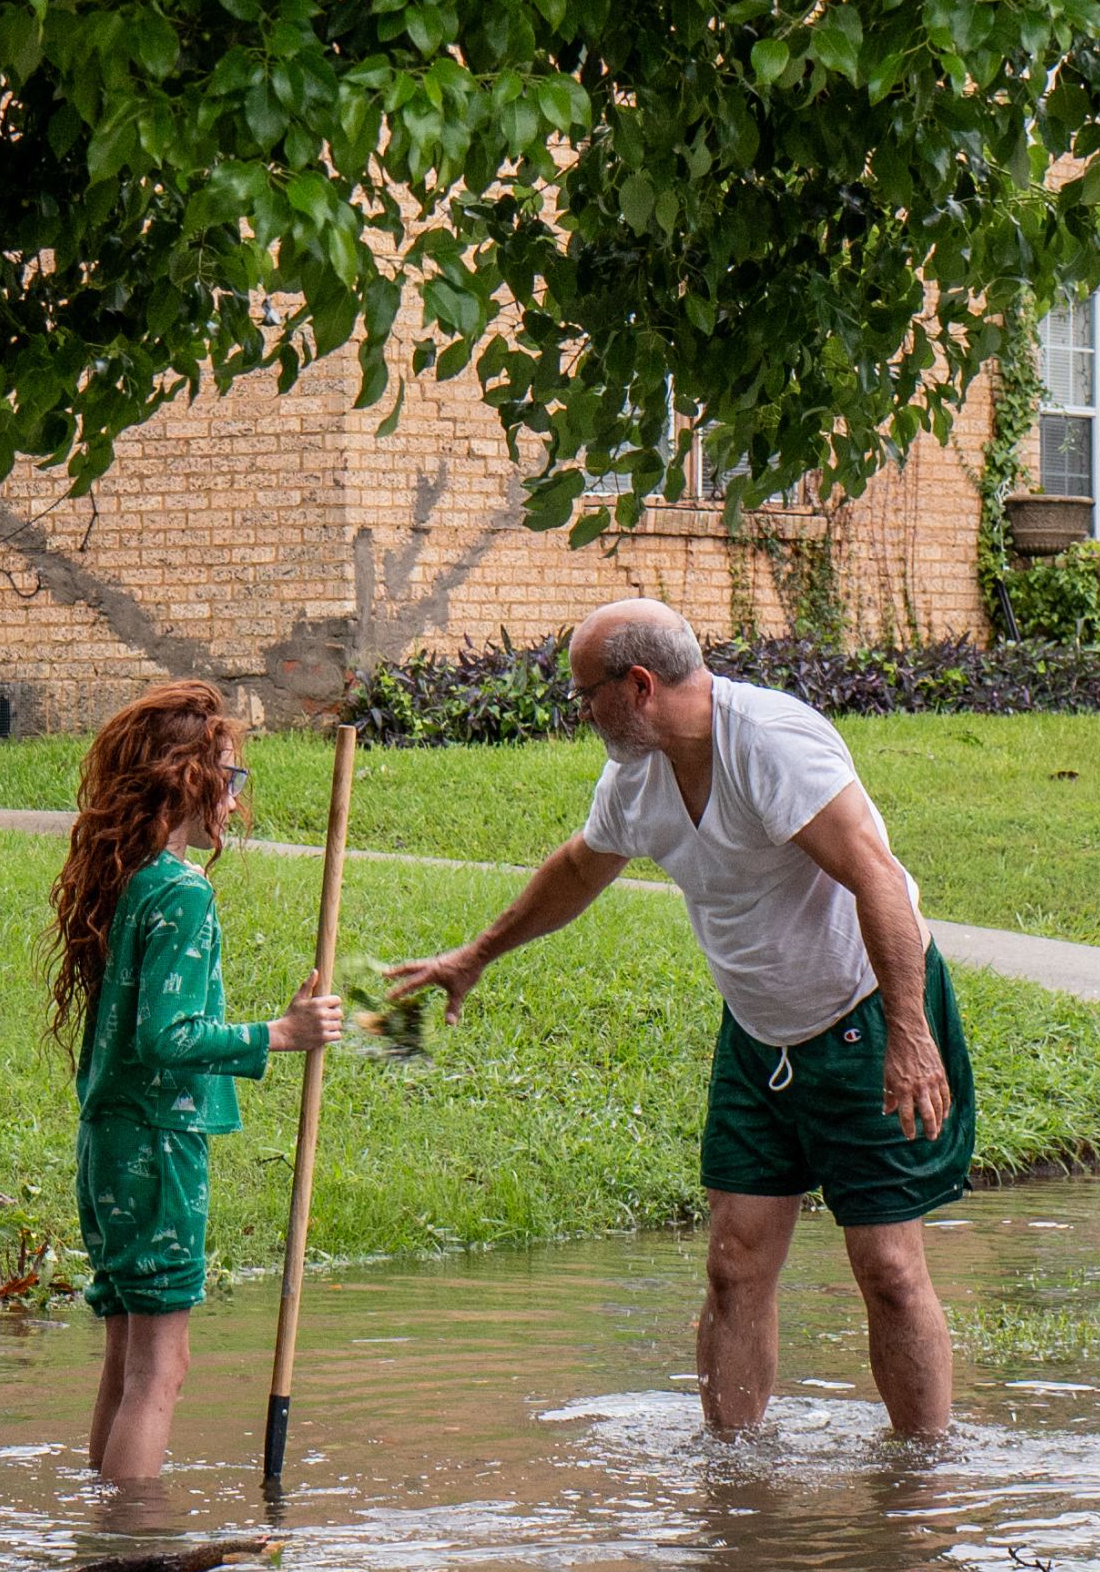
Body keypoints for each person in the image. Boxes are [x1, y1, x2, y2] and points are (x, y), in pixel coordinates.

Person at [367, 597, 971, 1439]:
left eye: (585, 694)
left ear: (638, 684)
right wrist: (477, 954)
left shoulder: (769, 744)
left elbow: (875, 878)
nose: (579, 713)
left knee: (887, 1268)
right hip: (758, 1038)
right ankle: (731, 1485)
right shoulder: (638, 775)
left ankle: (922, 1487)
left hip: (864, 1015)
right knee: (734, 1265)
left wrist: (908, 1034)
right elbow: (581, 868)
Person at [50, 682, 332, 1489]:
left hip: (108, 1141)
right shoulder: (180, 890)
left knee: (125, 1364)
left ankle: (100, 1541)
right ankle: (133, 1545)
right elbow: (166, 1039)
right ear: (189, 781)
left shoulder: (129, 877)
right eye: (231, 781)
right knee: (161, 1371)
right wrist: (279, 1034)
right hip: (157, 1142)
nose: (236, 803)